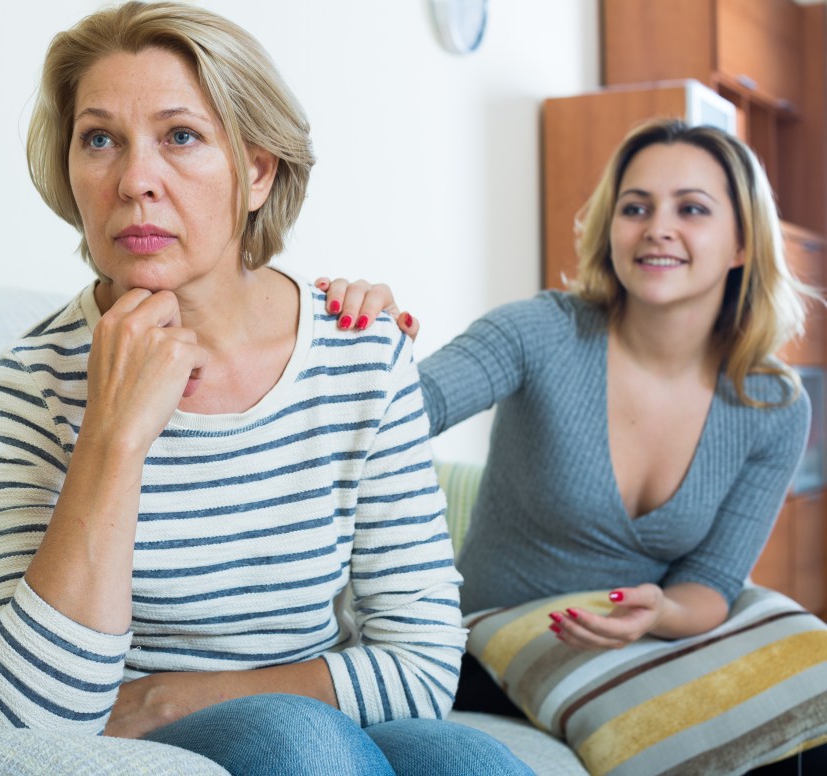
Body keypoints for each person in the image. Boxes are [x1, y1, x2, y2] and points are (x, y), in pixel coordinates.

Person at [0, 4, 534, 775]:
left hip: (292, 721)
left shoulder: (361, 353)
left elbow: (425, 666)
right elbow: (16, 723)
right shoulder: (32, 387)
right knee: (296, 742)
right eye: (100, 139)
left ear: (258, 171)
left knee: (470, 759)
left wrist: (176, 696)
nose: (135, 181)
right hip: (149, 753)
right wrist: (113, 437)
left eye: (181, 136)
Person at [319, 118, 827, 772]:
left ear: (741, 244)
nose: (657, 228)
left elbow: (712, 583)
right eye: (635, 207)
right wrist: (368, 346)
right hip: (489, 653)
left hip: (637, 648)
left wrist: (661, 612)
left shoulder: (772, 404)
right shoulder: (538, 333)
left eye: (691, 209)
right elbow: (401, 415)